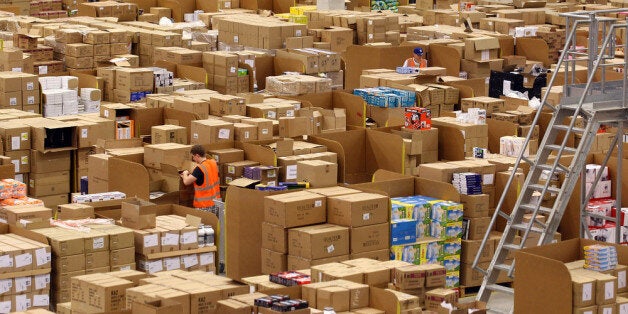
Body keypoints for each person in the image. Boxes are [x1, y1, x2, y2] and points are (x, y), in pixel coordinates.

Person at [180, 145, 221, 217]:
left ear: (197, 155)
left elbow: (186, 182)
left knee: (199, 226)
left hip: (204, 206)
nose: (193, 159)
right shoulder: (213, 163)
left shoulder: (199, 169)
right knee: (213, 225)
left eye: (193, 156)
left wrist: (185, 174)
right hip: (216, 203)